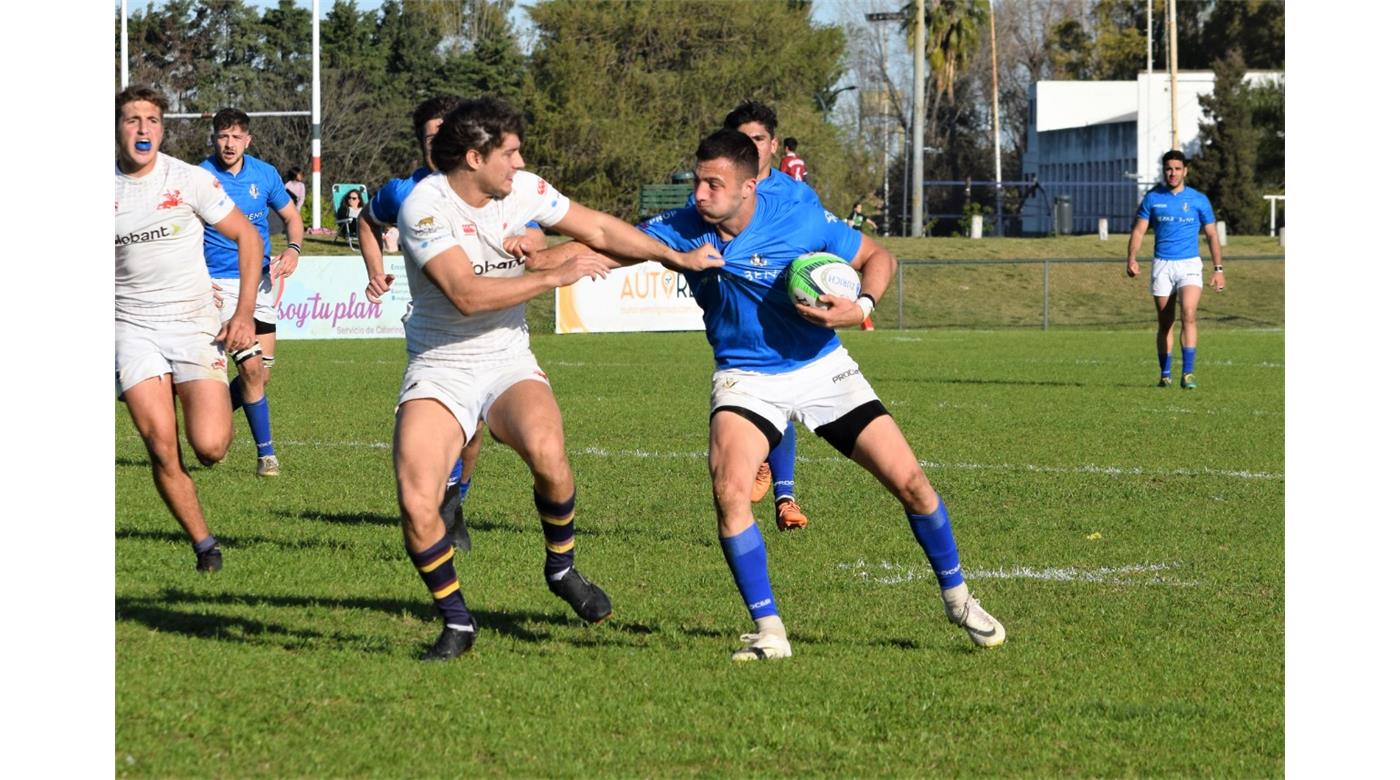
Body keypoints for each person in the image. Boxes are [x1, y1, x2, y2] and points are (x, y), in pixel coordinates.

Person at [586, 129, 1005, 660]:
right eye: (698, 181)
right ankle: (770, 632)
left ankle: (959, 598)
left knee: (913, 484)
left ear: (749, 187)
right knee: (731, 491)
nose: (700, 194)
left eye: (715, 184)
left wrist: (863, 306)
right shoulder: (682, 229)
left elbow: (879, 256)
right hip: (746, 378)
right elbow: (605, 237)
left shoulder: (799, 216)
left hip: (822, 368)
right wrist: (543, 247)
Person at [393, 97, 721, 660]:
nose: (519, 163)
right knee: (418, 501)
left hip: (506, 358)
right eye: (511, 153)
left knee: (549, 454)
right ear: (475, 157)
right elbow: (466, 295)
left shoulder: (522, 190)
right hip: (440, 364)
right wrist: (554, 274)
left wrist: (675, 258)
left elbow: (595, 226)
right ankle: (457, 623)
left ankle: (562, 566)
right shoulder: (424, 206)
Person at [357, 96, 545, 553]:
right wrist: (374, 269)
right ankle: (444, 501)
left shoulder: (494, 189)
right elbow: (367, 218)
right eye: (431, 137)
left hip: (493, 326)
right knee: (454, 420)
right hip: (438, 328)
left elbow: (538, 228)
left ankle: (454, 498)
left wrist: (528, 241)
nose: (440, 143)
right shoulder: (408, 193)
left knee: (476, 428)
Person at [115, 86, 263, 572]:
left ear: (163, 128)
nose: (142, 129)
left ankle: (196, 392)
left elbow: (248, 237)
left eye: (151, 120)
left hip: (194, 323)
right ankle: (205, 546)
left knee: (211, 446)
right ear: (117, 128)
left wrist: (242, 314)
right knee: (160, 444)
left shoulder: (189, 179)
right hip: (131, 328)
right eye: (132, 119)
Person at [721, 101, 814, 532]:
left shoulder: (796, 194)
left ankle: (784, 496)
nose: (752, 148)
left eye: (759, 139)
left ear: (774, 145)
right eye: (744, 141)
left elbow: (816, 242)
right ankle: (776, 481)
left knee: (787, 402)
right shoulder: (717, 192)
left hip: (789, 310)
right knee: (772, 404)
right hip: (741, 317)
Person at [199, 107, 305, 477]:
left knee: (261, 374)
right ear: (214, 138)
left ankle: (210, 428)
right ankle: (267, 456)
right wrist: (196, 280)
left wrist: (293, 250)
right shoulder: (200, 177)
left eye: (236, 137)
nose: (229, 144)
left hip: (260, 282)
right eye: (222, 136)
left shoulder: (266, 174)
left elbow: (292, 219)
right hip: (222, 286)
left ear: (248, 140)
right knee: (253, 368)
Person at [1126, 150, 1224, 389]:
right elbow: (1139, 231)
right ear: (1164, 170)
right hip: (1162, 265)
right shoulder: (1152, 199)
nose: (1173, 173)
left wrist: (1218, 268)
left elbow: (1211, 234)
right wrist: (1132, 258)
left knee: (1189, 313)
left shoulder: (1199, 200)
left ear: (1185, 171)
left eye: (1177, 168)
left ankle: (1188, 374)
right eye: (1169, 168)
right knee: (1166, 321)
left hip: (1189, 264)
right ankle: (1165, 373)